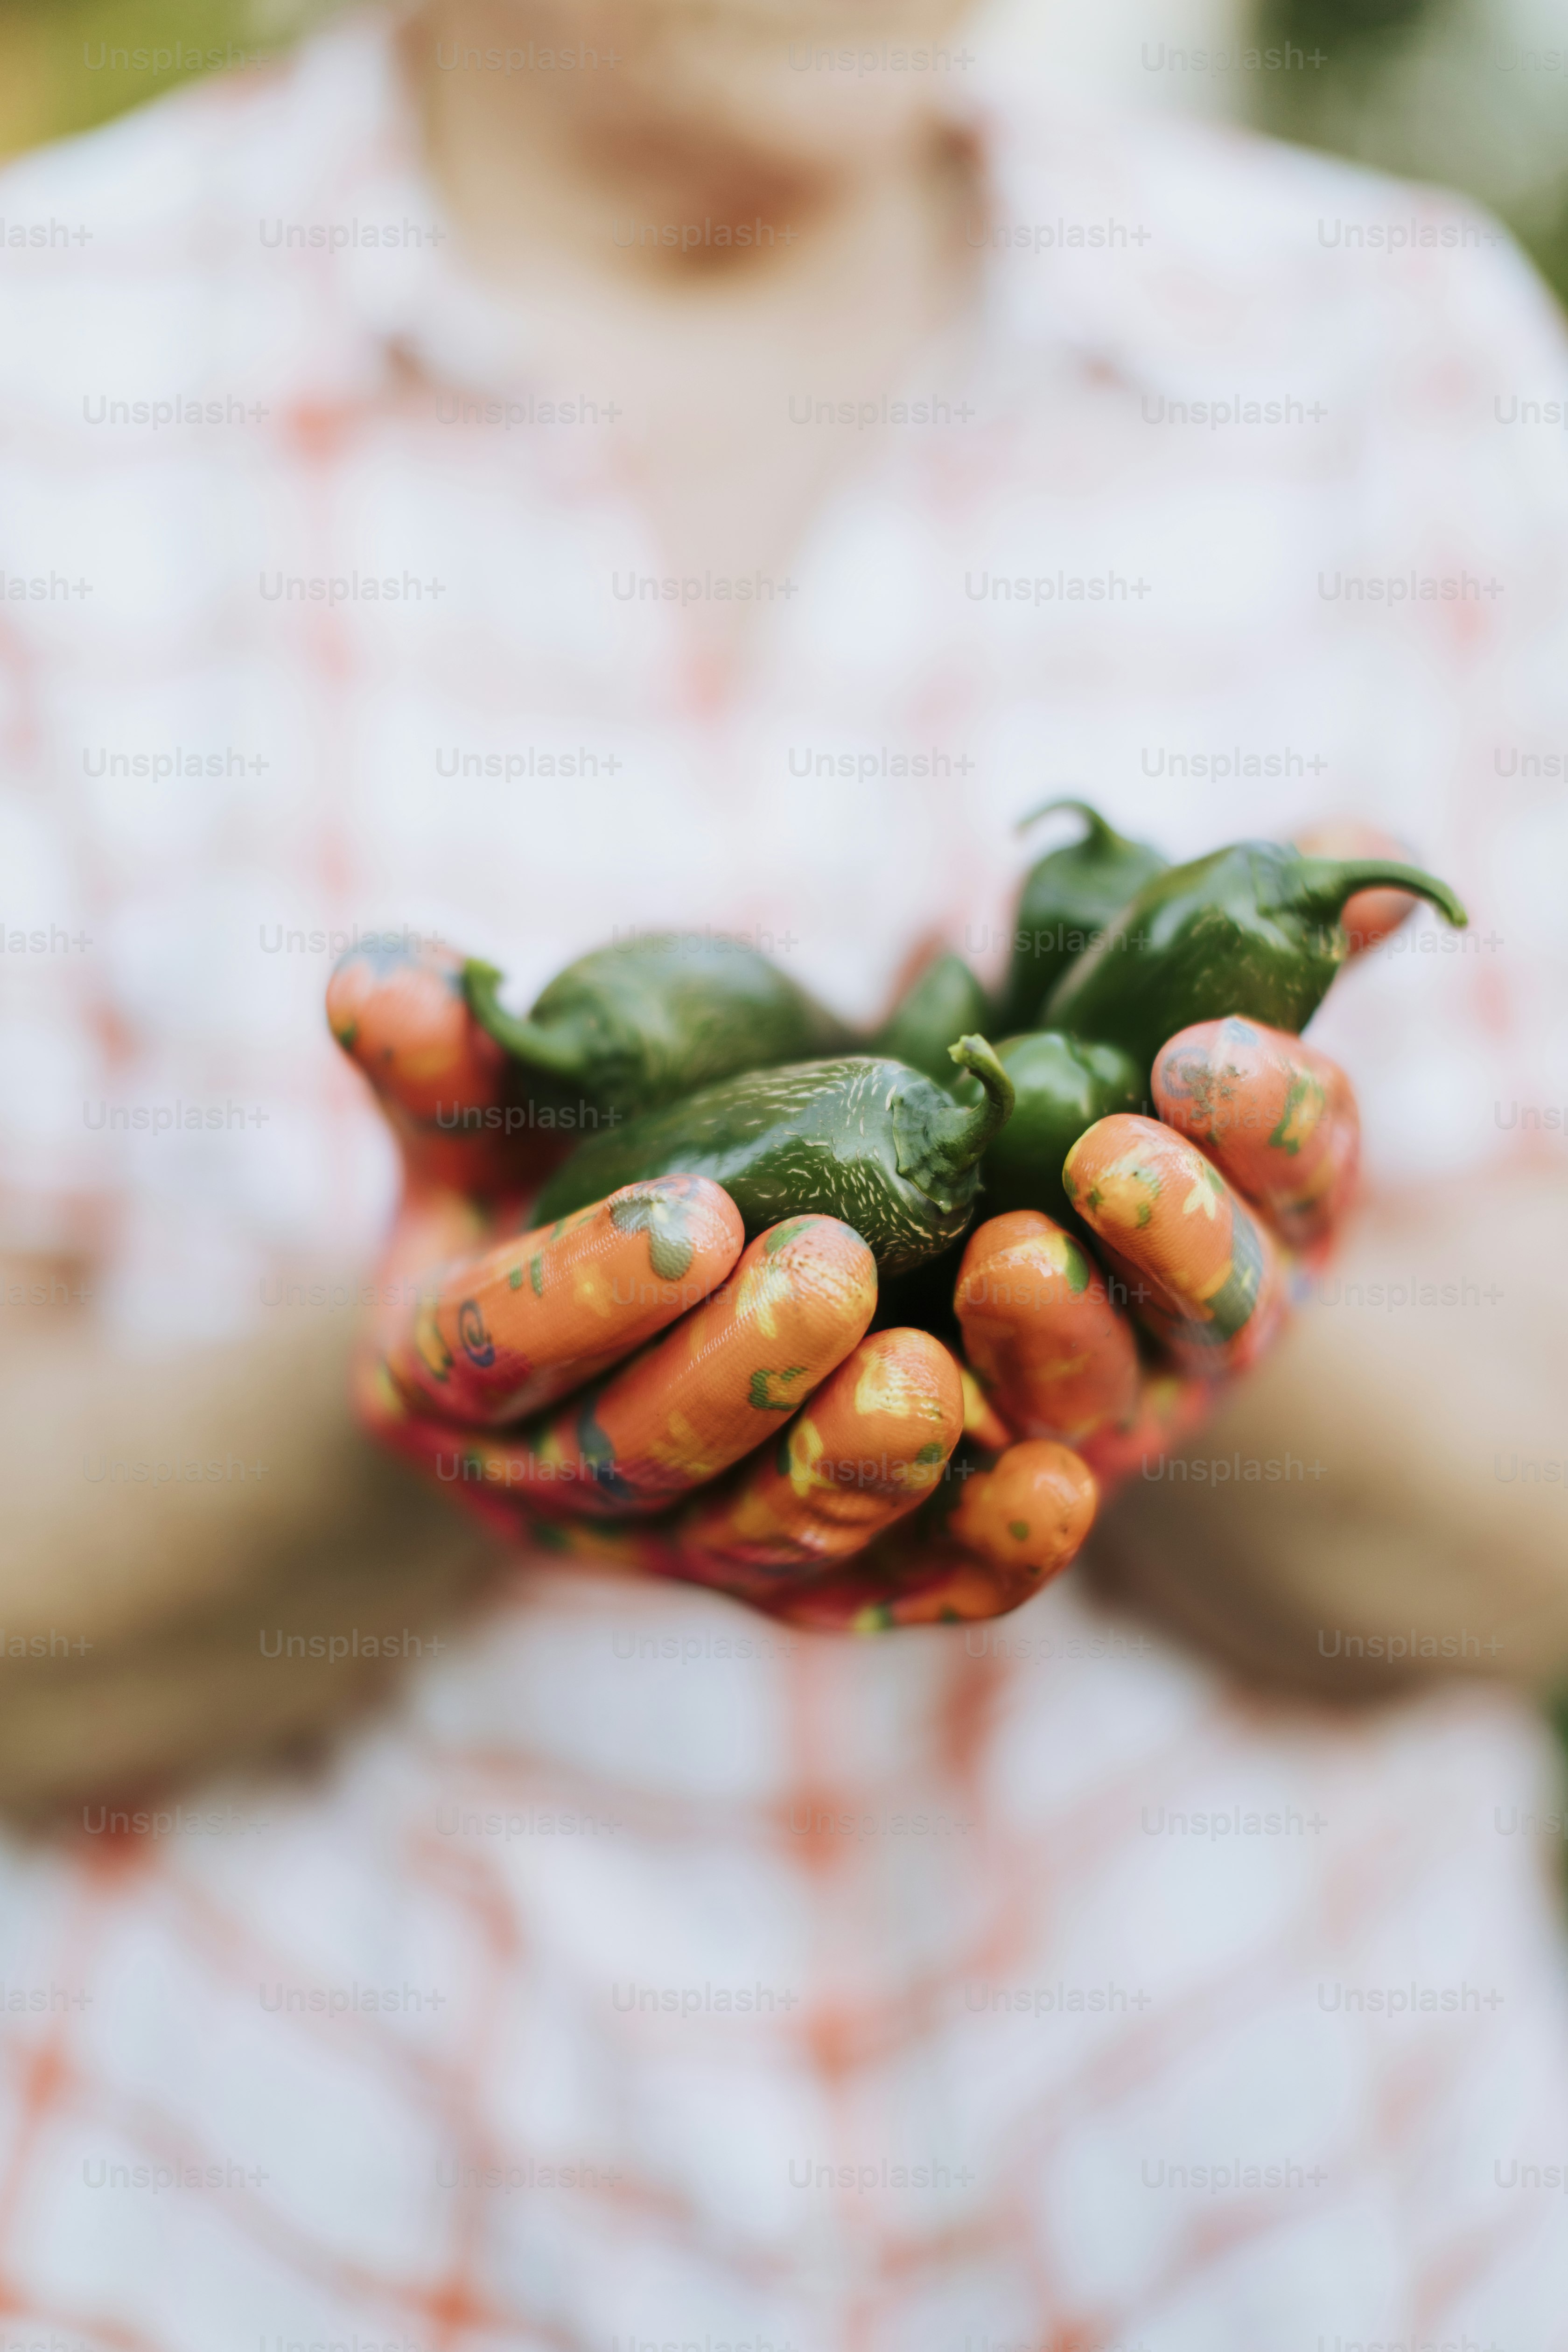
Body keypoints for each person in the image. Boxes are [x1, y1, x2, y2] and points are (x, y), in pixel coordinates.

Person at [1, 0, 1567, 2339]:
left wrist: (1182, 1330)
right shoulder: (52, 372)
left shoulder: (1394, 351)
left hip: (1284, 2239)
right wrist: (417, 1412)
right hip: (269, 2242)